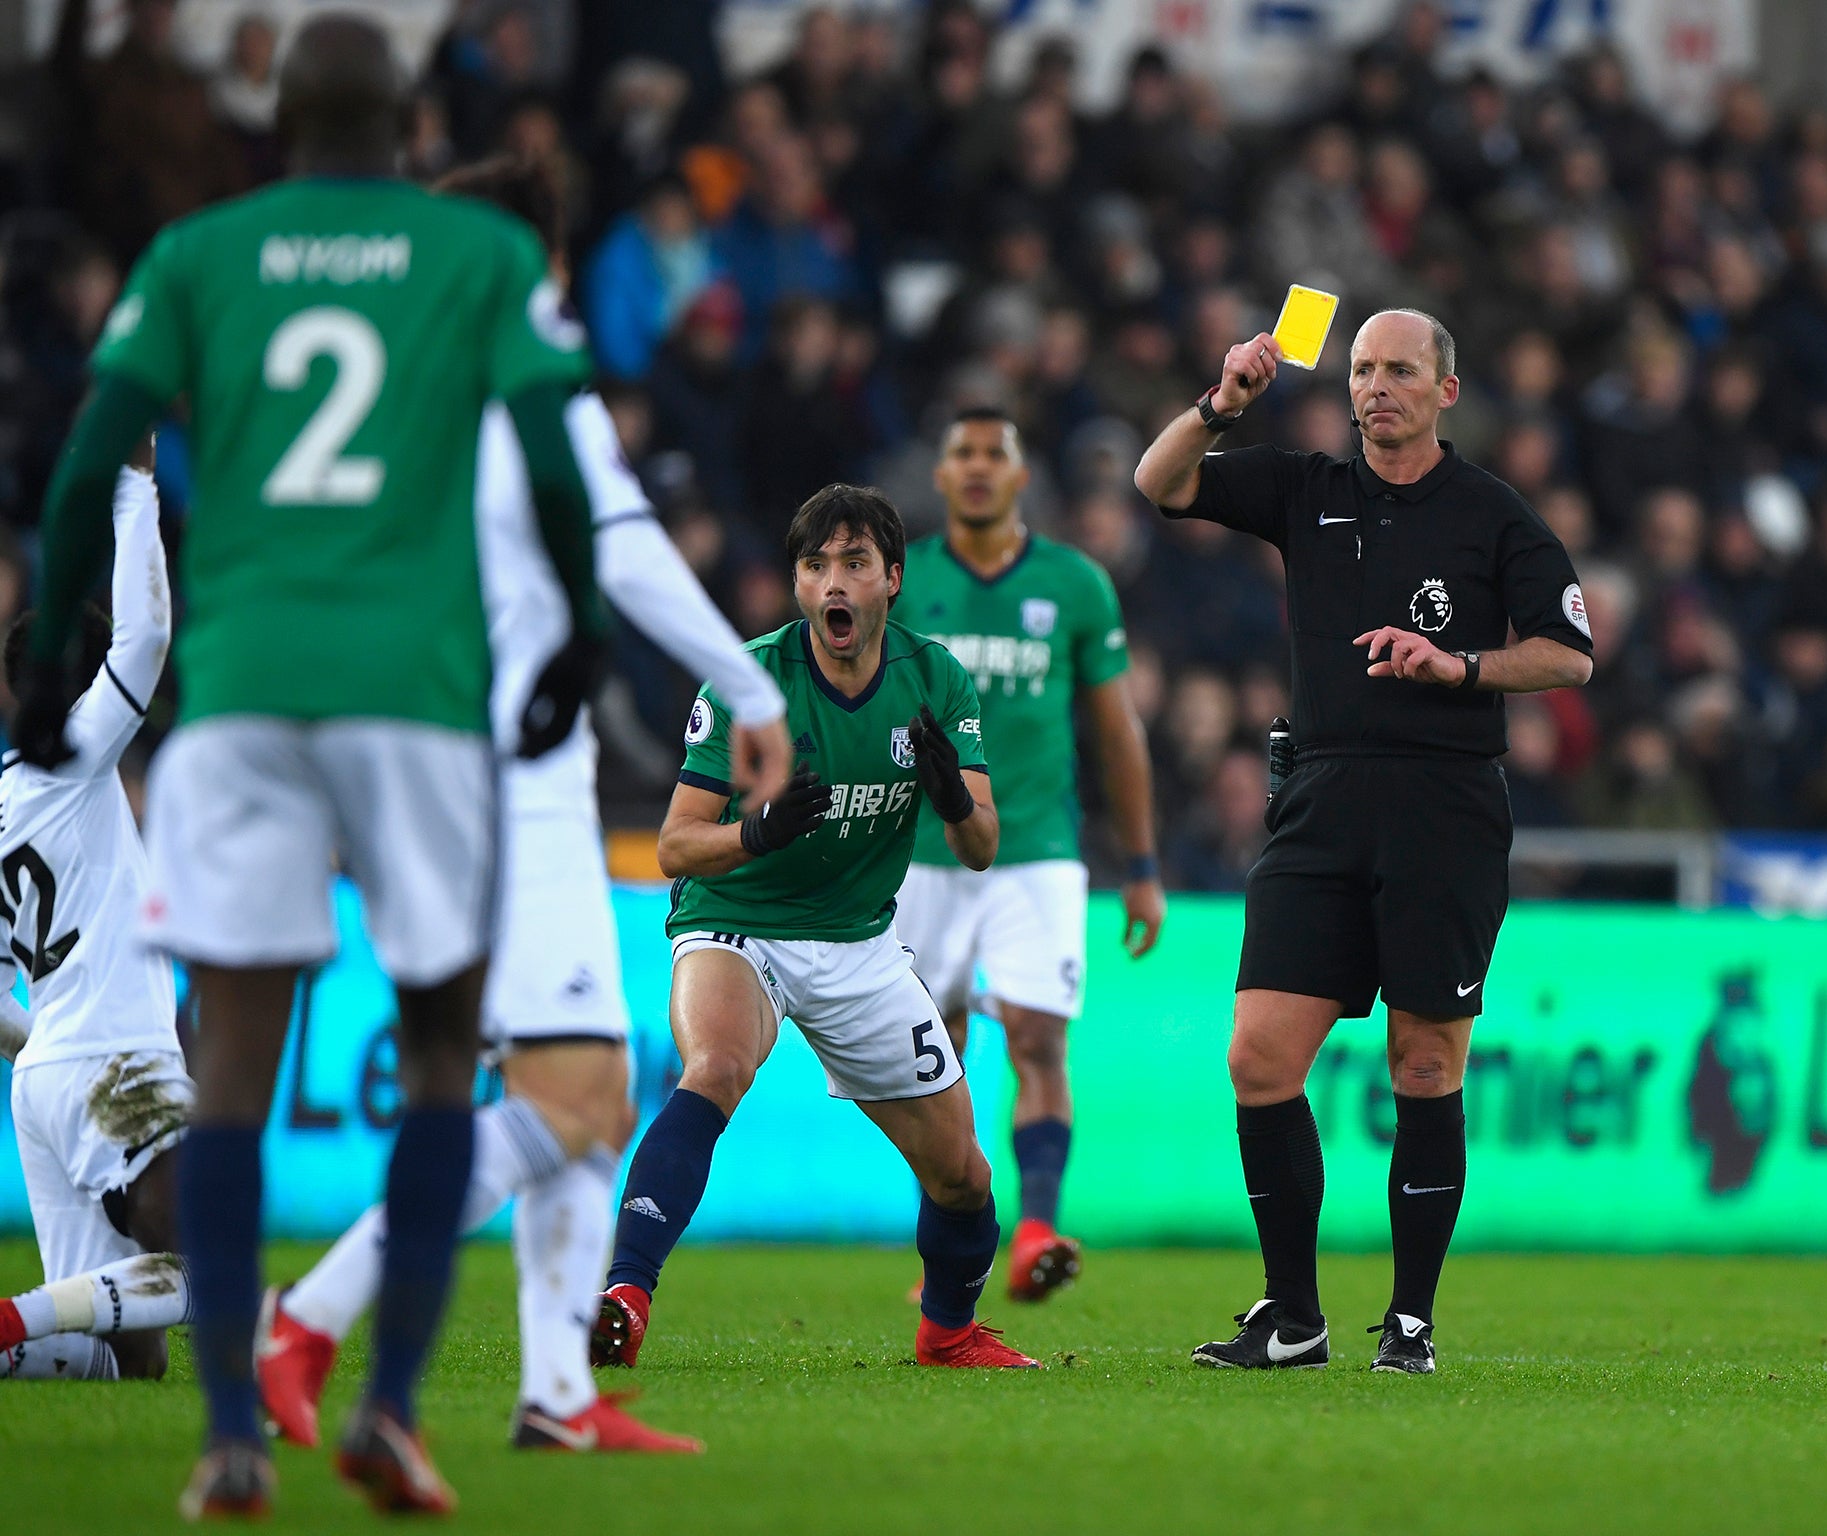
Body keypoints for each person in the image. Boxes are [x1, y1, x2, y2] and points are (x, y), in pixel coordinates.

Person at [23, 17, 607, 1517]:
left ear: (278, 119)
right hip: (412, 696)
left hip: (241, 697)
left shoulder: (201, 254)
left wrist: (38, 662)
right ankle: (390, 1411)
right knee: (434, 1058)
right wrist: (577, 652)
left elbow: (93, 454)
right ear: (408, 121)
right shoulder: (474, 257)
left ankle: (228, 1432)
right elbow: (554, 459)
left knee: (225, 1076)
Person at [253, 155, 792, 1458]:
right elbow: (622, 548)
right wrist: (748, 690)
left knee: (569, 1073)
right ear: (544, 260)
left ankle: (555, 1391)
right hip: (508, 781)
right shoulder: (523, 362)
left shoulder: (402, 391)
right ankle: (309, 1317)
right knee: (576, 1104)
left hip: (421, 769)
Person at [1133, 310, 1594, 1373]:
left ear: (1445, 389)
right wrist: (1219, 404)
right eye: (1360, 370)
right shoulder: (1308, 489)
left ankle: (1411, 1322)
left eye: (1397, 370)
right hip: (1320, 800)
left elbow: (1566, 655)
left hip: (1443, 806)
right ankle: (1291, 1316)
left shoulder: (1493, 516)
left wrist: (1459, 667)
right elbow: (1156, 485)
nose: (1374, 386)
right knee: (1257, 1056)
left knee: (1422, 1061)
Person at [589, 484, 1040, 1372]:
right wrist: (756, 833)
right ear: (798, 585)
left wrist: (952, 795)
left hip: (859, 942)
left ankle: (948, 1331)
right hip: (739, 921)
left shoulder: (936, 677)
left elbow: (981, 844)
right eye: (815, 564)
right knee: (716, 1067)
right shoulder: (750, 682)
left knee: (965, 1177)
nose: (833, 582)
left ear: (891, 581)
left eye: (854, 563)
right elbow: (677, 846)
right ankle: (624, 1296)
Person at [893, 406, 1163, 1301]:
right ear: (939, 475)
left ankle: (1038, 1229)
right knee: (934, 1058)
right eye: (960, 453)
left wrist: (1143, 866)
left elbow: (1117, 731)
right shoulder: (904, 583)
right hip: (922, 853)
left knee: (1041, 1038)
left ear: (1020, 477)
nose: (975, 468)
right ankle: (953, 1246)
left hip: (1039, 847)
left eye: (993, 455)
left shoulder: (1075, 585)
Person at [0, 437, 186, 1385]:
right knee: (206, 1245)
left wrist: (46, 1041)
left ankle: (26, 1332)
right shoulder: (72, 750)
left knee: (114, 1363)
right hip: (117, 1049)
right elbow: (145, 641)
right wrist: (134, 486)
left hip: (41, 1077)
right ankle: (9, 1317)